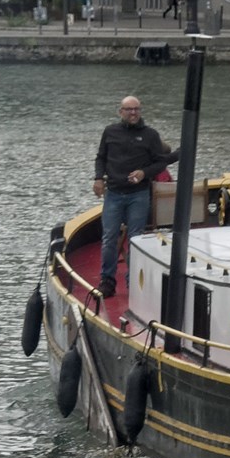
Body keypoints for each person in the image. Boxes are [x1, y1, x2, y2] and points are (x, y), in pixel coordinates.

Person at [90, 95, 177, 303]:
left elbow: (159, 163)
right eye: (129, 109)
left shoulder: (150, 135)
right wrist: (98, 178)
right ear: (120, 111)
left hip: (138, 195)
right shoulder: (110, 132)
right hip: (113, 193)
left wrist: (143, 173)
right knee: (109, 237)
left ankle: (134, 283)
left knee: (136, 239)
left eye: (136, 109)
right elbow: (101, 157)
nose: (133, 113)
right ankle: (107, 281)